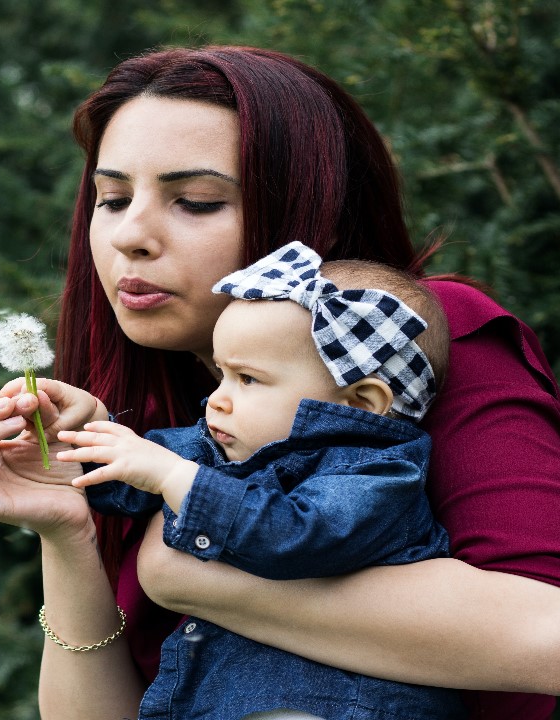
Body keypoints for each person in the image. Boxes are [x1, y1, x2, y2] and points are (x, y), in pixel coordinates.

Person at [0, 46, 560, 720]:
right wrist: (67, 529)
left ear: (308, 205)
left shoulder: (407, 341)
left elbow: (555, 637)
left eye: (194, 200)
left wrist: (181, 567)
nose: (129, 235)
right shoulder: (172, 412)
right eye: (111, 197)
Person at [56, 242, 463, 718]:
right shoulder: (224, 447)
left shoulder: (378, 472)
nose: (216, 401)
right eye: (221, 376)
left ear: (359, 403)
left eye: (247, 379)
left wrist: (173, 475)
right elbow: (130, 477)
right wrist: (73, 445)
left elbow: (297, 534)